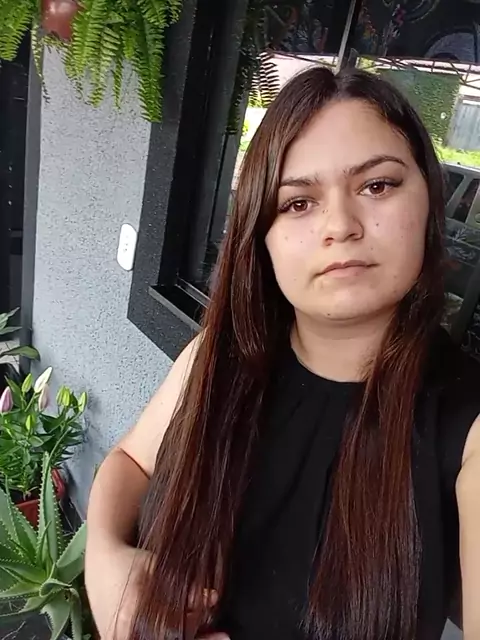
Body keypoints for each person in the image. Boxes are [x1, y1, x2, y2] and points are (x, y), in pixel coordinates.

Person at [85, 66, 480, 640]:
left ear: (429, 202)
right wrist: (103, 557)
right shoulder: (217, 358)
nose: (340, 225)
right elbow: (130, 462)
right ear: (260, 234)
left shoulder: (467, 429)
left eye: (377, 186)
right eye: (298, 203)